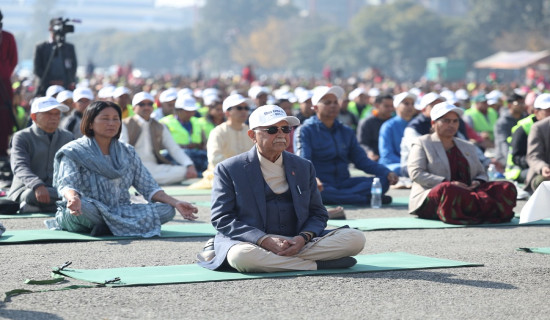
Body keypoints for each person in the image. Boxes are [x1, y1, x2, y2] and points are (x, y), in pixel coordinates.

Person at [199, 105, 365, 272]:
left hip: (297, 241)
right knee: (241, 257)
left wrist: (303, 238)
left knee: (356, 238)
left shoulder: (303, 166)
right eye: (272, 129)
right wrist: (264, 240)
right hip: (252, 242)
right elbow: (222, 218)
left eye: (285, 129)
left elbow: (318, 213)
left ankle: (278, 261)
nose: (280, 134)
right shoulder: (229, 168)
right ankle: (317, 264)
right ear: (252, 135)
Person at [53, 100, 199, 236]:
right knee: (84, 209)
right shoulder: (74, 151)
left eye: (115, 119)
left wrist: (176, 203)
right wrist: (73, 199)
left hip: (121, 209)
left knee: (167, 210)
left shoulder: (127, 151)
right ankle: (114, 225)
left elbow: (148, 186)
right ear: (90, 123)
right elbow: (67, 183)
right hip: (88, 208)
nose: (111, 123)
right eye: (105, 118)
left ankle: (107, 226)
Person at [407, 102, 517, 225]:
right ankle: (474, 210)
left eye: (455, 121)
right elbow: (416, 173)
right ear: (433, 123)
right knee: (448, 190)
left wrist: (478, 181)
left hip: (467, 191)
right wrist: (448, 182)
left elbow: (481, 172)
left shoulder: (467, 146)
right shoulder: (422, 143)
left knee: (506, 187)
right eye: (446, 121)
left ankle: (471, 210)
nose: (451, 125)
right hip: (437, 195)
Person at [295, 86, 398, 205]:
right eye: (327, 102)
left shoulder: (346, 131)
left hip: (345, 183)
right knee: (314, 190)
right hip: (322, 183)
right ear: (315, 107)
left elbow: (362, 161)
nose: (333, 105)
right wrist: (312, 179)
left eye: (335, 102)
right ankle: (363, 199)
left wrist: (386, 172)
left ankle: (348, 197)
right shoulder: (305, 130)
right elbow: (303, 162)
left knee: (382, 181)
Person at [7, 97, 73, 213]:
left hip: (57, 190)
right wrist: (37, 185)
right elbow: (20, 167)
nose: (54, 117)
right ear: (34, 117)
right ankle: (62, 206)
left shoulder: (67, 137)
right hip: (27, 189)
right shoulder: (21, 137)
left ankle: (37, 208)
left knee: (77, 194)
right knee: (31, 195)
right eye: (48, 113)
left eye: (57, 113)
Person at [120, 92, 197, 185]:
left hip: (155, 167)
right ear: (133, 108)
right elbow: (123, 149)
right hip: (133, 167)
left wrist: (189, 164)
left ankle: (143, 180)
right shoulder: (125, 124)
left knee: (184, 171)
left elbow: (173, 148)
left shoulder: (159, 126)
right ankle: (142, 180)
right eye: (142, 104)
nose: (146, 107)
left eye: (150, 104)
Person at [188, 94, 253, 189]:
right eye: (239, 108)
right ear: (227, 113)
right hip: (221, 176)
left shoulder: (250, 132)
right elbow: (215, 159)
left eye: (246, 108)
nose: (244, 111)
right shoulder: (218, 132)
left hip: (247, 176)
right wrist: (238, 171)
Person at [160, 94, 207, 174]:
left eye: (192, 111)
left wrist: (197, 145)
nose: (190, 113)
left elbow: (204, 143)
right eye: (187, 111)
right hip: (175, 155)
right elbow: (161, 145)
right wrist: (183, 146)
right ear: (178, 110)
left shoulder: (197, 122)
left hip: (195, 155)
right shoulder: (165, 122)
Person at [33, 18, 77, 96]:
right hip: (45, 87)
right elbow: (37, 69)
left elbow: (73, 67)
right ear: (50, 28)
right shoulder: (41, 47)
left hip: (65, 87)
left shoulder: (69, 47)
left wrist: (66, 81)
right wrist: (50, 81)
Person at [378, 91, 417, 175]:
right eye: (406, 103)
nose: (410, 107)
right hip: (394, 165)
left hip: (413, 165)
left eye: (412, 104)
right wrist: (407, 164)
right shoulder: (388, 126)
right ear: (396, 106)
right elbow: (386, 155)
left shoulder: (417, 125)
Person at [0, 10, 18, 158]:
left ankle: (3, 151)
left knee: (5, 116)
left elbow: (13, 59)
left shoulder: (7, 37)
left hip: (4, 83)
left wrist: (4, 72)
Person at [356, 93, 394, 162]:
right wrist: (369, 152)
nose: (390, 109)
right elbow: (362, 143)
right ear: (377, 105)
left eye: (392, 106)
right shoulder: (367, 122)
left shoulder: (393, 122)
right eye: (386, 106)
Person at [494, 93, 527, 168]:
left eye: (523, 103)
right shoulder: (502, 122)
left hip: (520, 156)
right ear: (509, 105)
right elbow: (503, 144)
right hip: (504, 158)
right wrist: (511, 162)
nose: (521, 105)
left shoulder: (526, 119)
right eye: (518, 103)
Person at [526, 94, 550, 193]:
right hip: (545, 172)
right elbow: (533, 156)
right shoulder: (538, 127)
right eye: (548, 110)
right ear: (536, 112)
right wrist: (543, 167)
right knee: (541, 182)